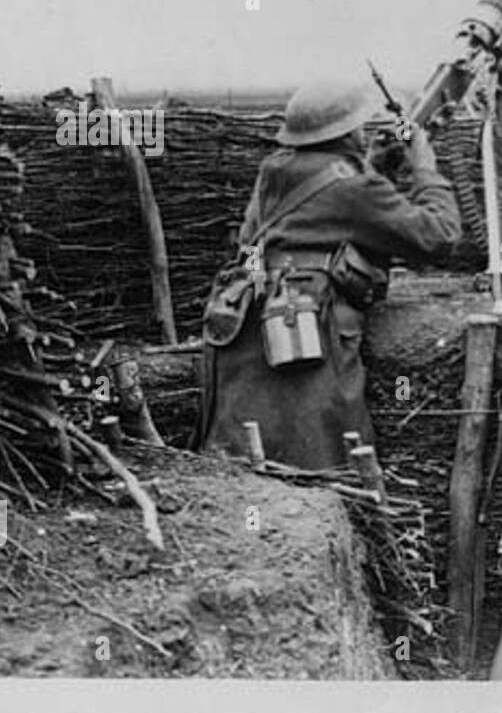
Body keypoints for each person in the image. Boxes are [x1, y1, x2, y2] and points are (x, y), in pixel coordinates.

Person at [197, 80, 462, 469]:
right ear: (348, 132)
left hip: (256, 321)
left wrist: (368, 165)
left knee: (254, 452)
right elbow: (439, 236)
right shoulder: (355, 187)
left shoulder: (273, 170)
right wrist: (425, 167)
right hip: (311, 328)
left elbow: (312, 217)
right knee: (326, 453)